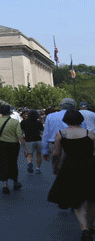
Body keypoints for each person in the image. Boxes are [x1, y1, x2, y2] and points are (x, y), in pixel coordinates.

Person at [47, 109, 95, 241]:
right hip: (89, 166)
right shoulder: (89, 134)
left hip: (71, 167)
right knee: (91, 198)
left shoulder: (61, 134)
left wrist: (55, 167)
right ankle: (90, 225)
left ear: (66, 120)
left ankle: (84, 228)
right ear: (80, 119)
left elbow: (56, 154)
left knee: (76, 199)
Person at [0, 104, 26, 194]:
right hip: (13, 145)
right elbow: (20, 135)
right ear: (10, 112)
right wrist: (25, 148)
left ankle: (5, 184)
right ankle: (15, 182)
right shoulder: (15, 122)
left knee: (3, 163)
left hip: (1, 144)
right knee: (13, 163)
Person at [43, 98, 82, 163]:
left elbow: (46, 134)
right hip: (74, 144)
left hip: (55, 144)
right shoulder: (77, 115)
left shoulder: (50, 116)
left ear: (61, 106)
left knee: (58, 167)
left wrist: (45, 150)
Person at [21, 109, 44, 175]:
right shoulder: (38, 123)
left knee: (29, 155)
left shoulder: (24, 122)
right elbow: (41, 131)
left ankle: (30, 163)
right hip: (38, 139)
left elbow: (21, 132)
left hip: (29, 140)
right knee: (39, 155)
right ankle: (38, 168)